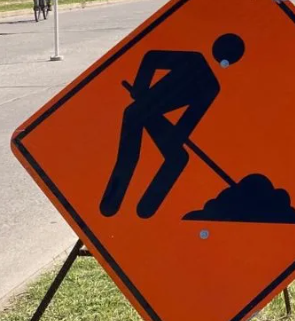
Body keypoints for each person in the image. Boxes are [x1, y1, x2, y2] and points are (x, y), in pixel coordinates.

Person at [99, 33, 246, 219]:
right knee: (130, 156)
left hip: (150, 113)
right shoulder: (194, 62)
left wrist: (176, 137)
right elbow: (151, 58)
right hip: (139, 111)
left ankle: (146, 208)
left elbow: (190, 118)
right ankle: (111, 202)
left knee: (178, 158)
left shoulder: (211, 86)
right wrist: (141, 86)